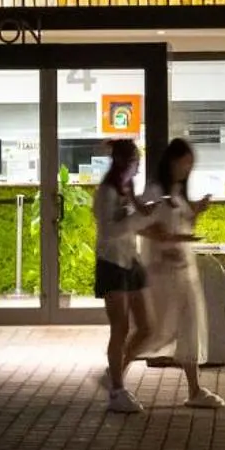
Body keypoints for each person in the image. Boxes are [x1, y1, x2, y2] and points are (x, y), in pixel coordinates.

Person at [139, 138, 225, 409]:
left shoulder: (177, 193)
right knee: (156, 331)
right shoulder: (156, 191)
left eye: (190, 164)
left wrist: (196, 210)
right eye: (184, 162)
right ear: (172, 161)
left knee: (189, 326)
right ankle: (116, 372)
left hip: (184, 272)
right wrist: (164, 244)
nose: (187, 169)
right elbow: (142, 224)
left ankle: (194, 388)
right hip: (164, 274)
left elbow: (184, 226)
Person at [93, 139, 155, 415]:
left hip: (130, 261)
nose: (138, 169)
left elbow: (132, 224)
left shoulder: (127, 189)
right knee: (120, 327)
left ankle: (114, 371)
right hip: (112, 263)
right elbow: (109, 231)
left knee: (146, 327)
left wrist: (146, 218)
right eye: (135, 163)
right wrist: (138, 219)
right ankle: (117, 390)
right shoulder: (107, 191)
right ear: (123, 163)